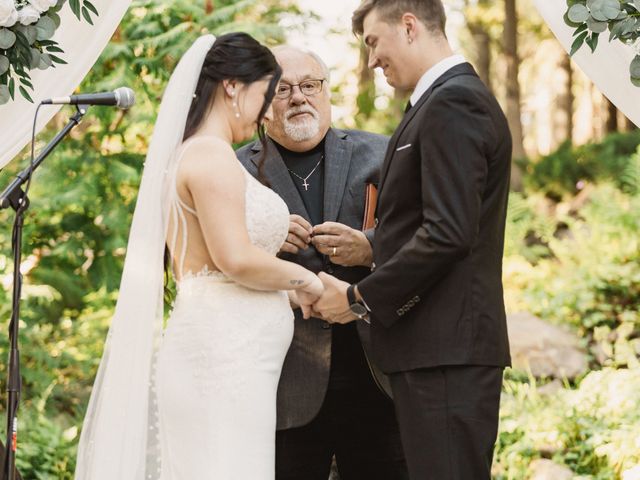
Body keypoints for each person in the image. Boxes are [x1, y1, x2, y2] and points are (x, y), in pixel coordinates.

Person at [74, 33, 323, 480]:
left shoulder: (196, 154)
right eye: (265, 94)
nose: (268, 112)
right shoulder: (210, 156)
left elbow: (210, 271)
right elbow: (235, 260)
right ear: (232, 86)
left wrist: (282, 295)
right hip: (224, 363)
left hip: (231, 357)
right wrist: (307, 281)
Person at [313, 1, 513, 479]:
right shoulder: (436, 102)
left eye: (372, 43)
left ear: (408, 27)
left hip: (446, 351)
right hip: (435, 350)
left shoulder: (452, 103)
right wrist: (372, 246)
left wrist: (358, 299)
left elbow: (448, 233)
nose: (371, 60)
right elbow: (440, 218)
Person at [236, 46, 408, 480]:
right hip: (283, 384)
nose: (298, 97)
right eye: (282, 89)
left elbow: (420, 237)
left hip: (375, 376)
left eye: (309, 85)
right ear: (261, 101)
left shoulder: (381, 153)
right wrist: (262, 247)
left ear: (326, 91)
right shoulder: (234, 171)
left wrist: (369, 246)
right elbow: (215, 259)